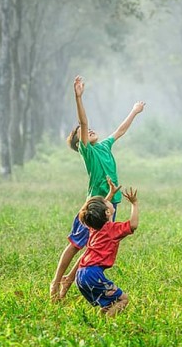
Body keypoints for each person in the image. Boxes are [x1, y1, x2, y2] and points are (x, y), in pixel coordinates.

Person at [50, 75, 145, 301]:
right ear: (79, 142)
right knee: (76, 244)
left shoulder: (104, 146)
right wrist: (78, 97)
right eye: (82, 132)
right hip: (94, 206)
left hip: (110, 204)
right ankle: (56, 281)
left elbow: (120, 130)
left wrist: (134, 111)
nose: (89, 130)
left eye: (90, 129)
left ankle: (69, 281)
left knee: (94, 245)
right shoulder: (88, 151)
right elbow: (83, 122)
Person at [75, 181, 139, 317]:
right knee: (123, 299)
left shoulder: (94, 227)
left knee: (109, 303)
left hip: (80, 274)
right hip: (93, 274)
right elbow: (133, 224)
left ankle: (101, 320)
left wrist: (111, 193)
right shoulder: (112, 230)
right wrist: (134, 204)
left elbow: (98, 210)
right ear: (107, 212)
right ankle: (107, 326)